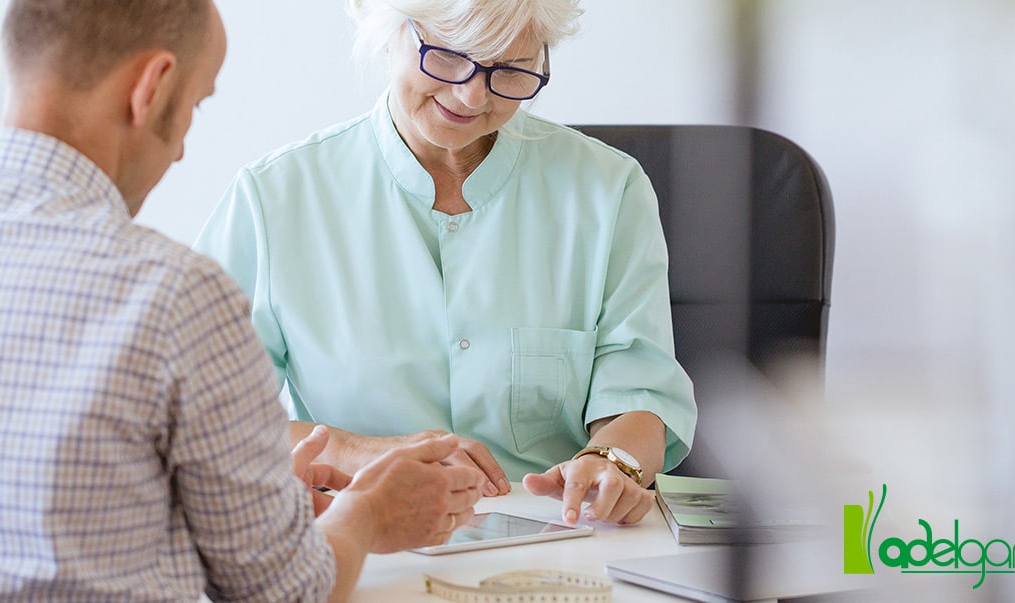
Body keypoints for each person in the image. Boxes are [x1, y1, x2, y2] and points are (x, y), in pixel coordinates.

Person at [0, 1, 483, 601]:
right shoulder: (174, 292)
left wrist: (236, 510)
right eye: (195, 106)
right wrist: (366, 512)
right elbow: (286, 591)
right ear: (151, 89)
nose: (181, 150)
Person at [193, 0, 696, 528]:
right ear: (388, 31)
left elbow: (641, 392)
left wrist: (610, 461)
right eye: (450, 56)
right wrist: (355, 452)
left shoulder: (609, 190)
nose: (471, 95)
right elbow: (203, 418)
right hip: (359, 536)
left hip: (561, 540)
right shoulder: (273, 200)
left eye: (508, 69)